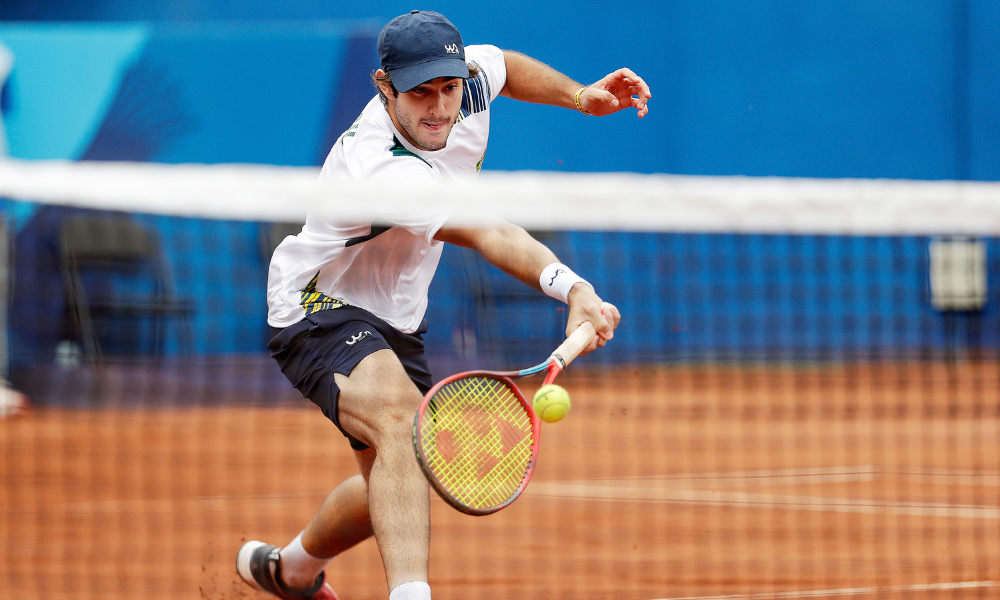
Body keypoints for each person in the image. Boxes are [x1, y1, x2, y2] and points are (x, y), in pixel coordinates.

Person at [236, 10, 650, 600]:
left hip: (397, 318)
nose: (439, 106)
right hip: (316, 305)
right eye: (420, 93)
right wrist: (573, 287)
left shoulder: (468, 81)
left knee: (396, 471)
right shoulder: (377, 166)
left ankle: (292, 569)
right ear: (385, 86)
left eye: (449, 88)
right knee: (404, 427)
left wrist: (582, 96)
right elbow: (488, 232)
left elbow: (503, 66)